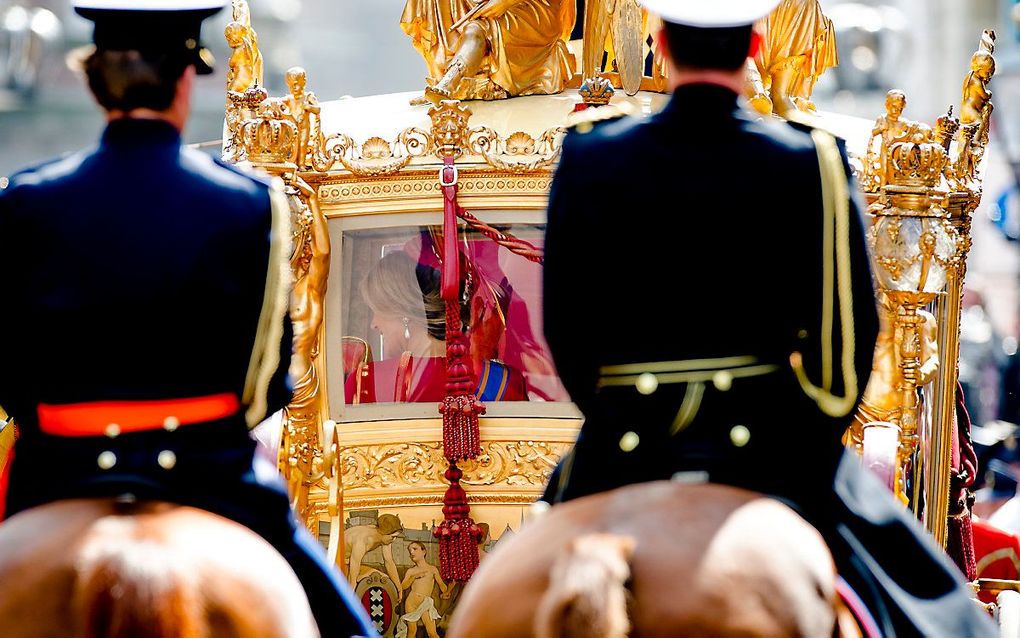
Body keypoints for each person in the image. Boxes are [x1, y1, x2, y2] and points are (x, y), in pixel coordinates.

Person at [539, 1, 996, 635]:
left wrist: (620, 410)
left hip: (622, 445)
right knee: (942, 614)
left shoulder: (591, 155)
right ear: (757, 45)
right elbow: (845, 355)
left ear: (661, 43)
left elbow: (567, 333)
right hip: (774, 447)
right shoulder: (812, 160)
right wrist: (805, 429)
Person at [0, 2, 374, 636]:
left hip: (60, 466)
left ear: (95, 82)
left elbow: (9, 370)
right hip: (210, 470)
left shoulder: (29, 199)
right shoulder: (248, 202)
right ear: (185, 79)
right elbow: (263, 382)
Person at [345, 250, 527, 404]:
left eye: (377, 310)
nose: (374, 323)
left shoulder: (364, 383)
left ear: (402, 313)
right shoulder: (505, 381)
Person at [396, 541, 452, 638]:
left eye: (415, 549)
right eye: (410, 551)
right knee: (412, 631)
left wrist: (446, 592)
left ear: (424, 552)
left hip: (426, 604)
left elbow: (442, 585)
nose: (412, 552)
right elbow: (403, 586)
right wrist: (414, 577)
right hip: (411, 603)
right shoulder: (411, 571)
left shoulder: (432, 569)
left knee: (432, 632)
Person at [345, 513, 405, 599]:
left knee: (383, 578)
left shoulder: (385, 536)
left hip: (349, 563)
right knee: (371, 578)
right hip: (336, 563)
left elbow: (389, 562)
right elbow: (354, 564)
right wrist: (351, 592)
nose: (394, 540)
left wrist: (398, 587)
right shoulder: (363, 539)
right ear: (383, 533)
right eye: (393, 537)